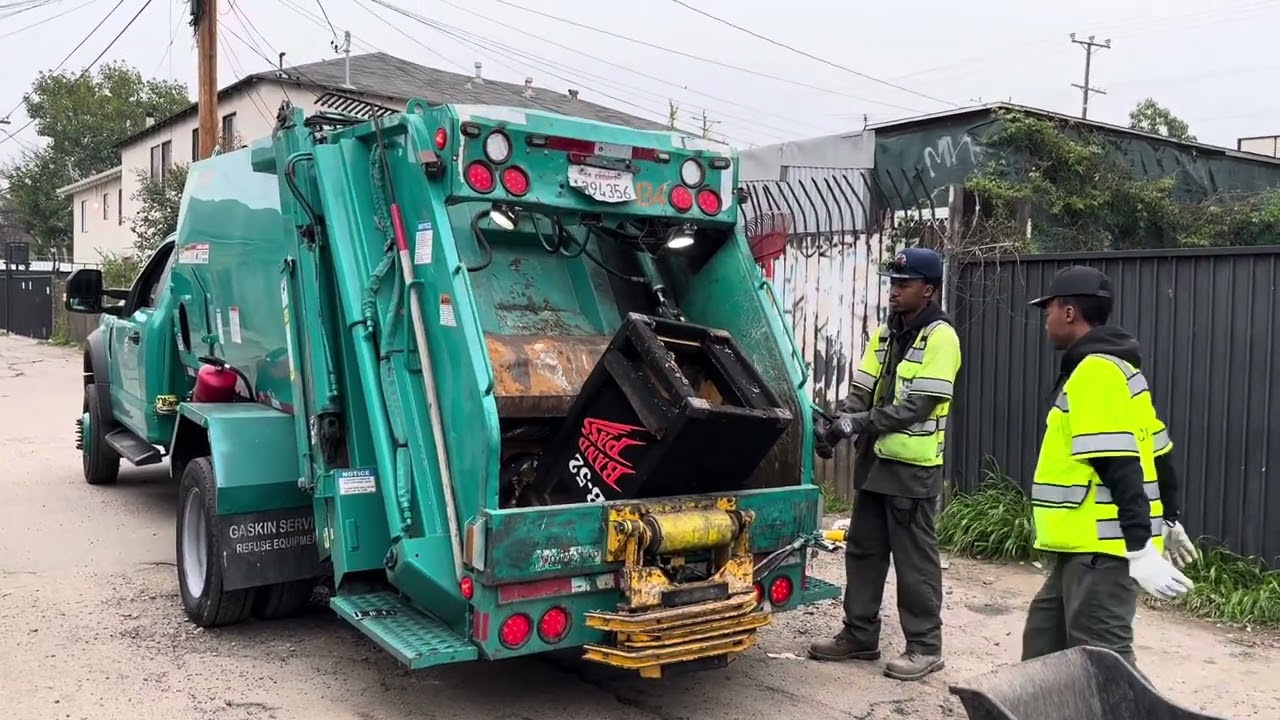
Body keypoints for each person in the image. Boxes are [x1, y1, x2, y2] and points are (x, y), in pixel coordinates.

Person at [1021, 265, 1198, 669]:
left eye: (1048, 309)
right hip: (1083, 552)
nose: (1045, 320)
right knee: (1042, 650)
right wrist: (1168, 519)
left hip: (1101, 552)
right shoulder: (1123, 370)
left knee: (1105, 666)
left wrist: (1139, 546)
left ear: (1068, 313)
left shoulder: (1095, 372)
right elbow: (1160, 453)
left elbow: (1115, 463)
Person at [808, 247, 961, 682]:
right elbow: (862, 389)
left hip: (911, 470)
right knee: (863, 550)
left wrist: (855, 423)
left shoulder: (941, 338)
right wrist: (839, 421)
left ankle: (926, 647)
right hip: (876, 464)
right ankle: (859, 635)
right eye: (892, 283)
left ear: (928, 290)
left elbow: (918, 406)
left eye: (904, 284)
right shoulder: (886, 334)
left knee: (915, 562)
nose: (894, 291)